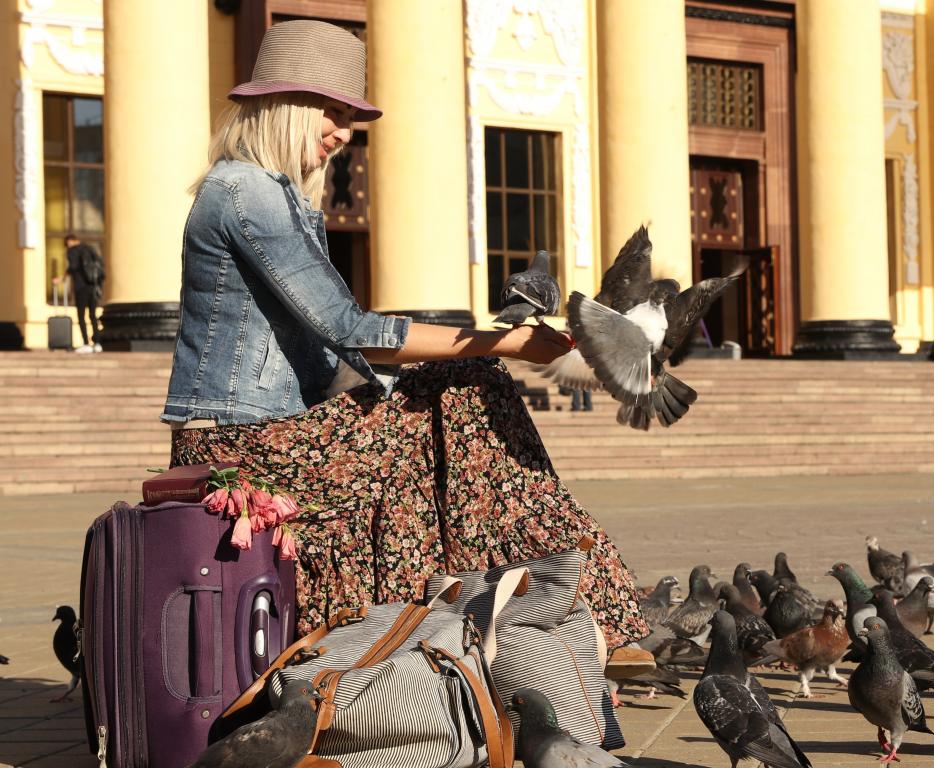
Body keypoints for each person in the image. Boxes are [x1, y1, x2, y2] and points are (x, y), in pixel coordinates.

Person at [160, 21, 650, 675]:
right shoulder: (248, 192)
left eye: (350, 119)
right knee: (473, 394)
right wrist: (504, 341)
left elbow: (338, 351)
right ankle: (571, 616)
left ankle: (464, 638)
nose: (344, 133)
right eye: (334, 113)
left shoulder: (271, 195)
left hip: (273, 432)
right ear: (288, 105)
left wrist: (470, 355)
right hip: (243, 444)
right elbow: (351, 328)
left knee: (452, 436)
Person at [63, 234, 104, 353]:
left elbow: (73, 267)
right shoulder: (89, 248)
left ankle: (86, 343)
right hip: (93, 286)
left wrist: (63, 277)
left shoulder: (72, 251)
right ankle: (97, 343)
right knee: (92, 315)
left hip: (81, 287)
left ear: (70, 241)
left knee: (81, 315)